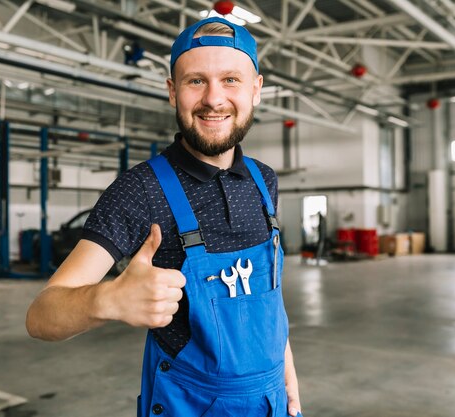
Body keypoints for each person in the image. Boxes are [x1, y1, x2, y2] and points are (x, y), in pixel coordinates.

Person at [26, 16, 302, 417]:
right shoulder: (140, 191)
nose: (213, 99)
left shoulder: (264, 181)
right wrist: (107, 298)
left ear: (256, 89)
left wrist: (286, 375)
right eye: (195, 81)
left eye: (230, 80)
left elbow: (269, 298)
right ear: (173, 92)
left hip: (271, 399)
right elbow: (41, 315)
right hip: (190, 405)